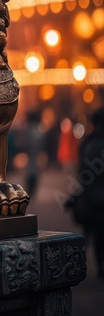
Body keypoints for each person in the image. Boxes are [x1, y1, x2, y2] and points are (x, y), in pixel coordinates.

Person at [67, 108, 104, 278]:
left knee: (91, 234)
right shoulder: (96, 145)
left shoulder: (88, 143)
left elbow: (81, 173)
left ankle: (77, 265)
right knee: (97, 234)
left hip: (90, 197)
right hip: (96, 198)